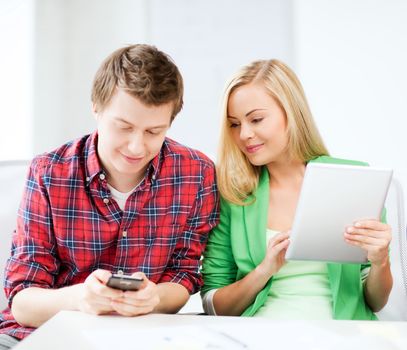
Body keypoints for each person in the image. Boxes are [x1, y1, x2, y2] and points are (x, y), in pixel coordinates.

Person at [0, 44, 219, 347]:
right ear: (96, 107)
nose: (136, 147)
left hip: (145, 336)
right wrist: (80, 298)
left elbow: (184, 274)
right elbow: (22, 303)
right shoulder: (49, 173)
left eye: (154, 132)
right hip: (44, 333)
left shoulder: (196, 174)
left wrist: (154, 298)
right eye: (124, 127)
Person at [201, 59, 392, 319]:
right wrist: (263, 271)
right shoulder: (233, 195)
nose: (244, 134)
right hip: (262, 335)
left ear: (291, 113)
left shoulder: (349, 180)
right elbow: (214, 306)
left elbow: (376, 301)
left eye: (256, 119)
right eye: (234, 124)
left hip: (344, 336)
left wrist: (380, 260)